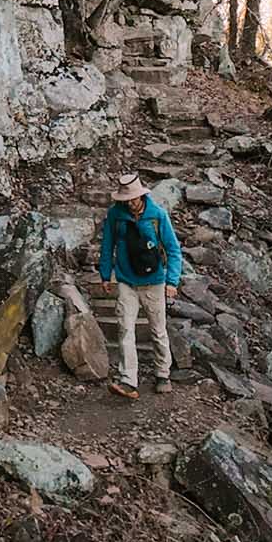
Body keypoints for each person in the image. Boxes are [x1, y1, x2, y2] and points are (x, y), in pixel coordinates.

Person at [99, 171, 183, 400]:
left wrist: (172, 281)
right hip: (126, 280)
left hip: (154, 281)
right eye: (126, 200)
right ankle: (128, 380)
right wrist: (105, 275)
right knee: (125, 328)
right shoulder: (115, 216)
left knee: (158, 330)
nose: (130, 203)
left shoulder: (158, 215)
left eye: (133, 199)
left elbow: (174, 250)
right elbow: (107, 246)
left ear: (141, 196)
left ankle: (162, 373)